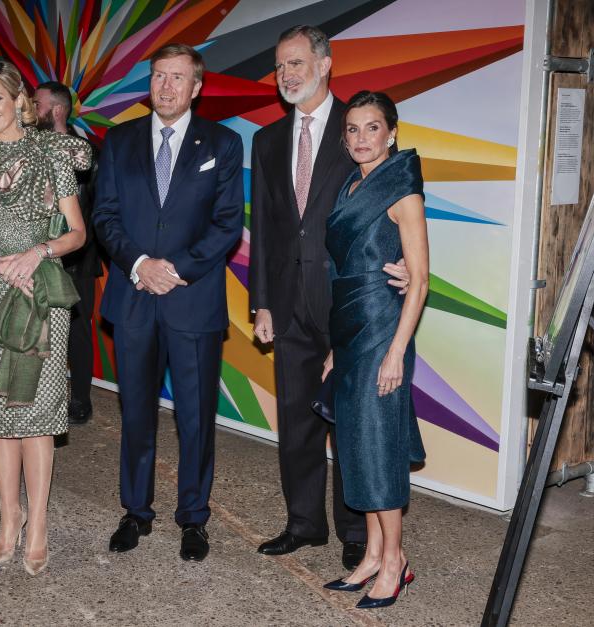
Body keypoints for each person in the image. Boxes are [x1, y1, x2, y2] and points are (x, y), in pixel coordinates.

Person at [93, 43, 244, 562]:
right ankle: (135, 512)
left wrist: (173, 269)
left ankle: (193, 519)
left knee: (195, 418)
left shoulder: (222, 143)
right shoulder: (118, 140)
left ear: (196, 87)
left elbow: (228, 223)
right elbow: (105, 214)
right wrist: (140, 265)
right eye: (159, 76)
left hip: (192, 301)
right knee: (136, 412)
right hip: (134, 297)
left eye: (178, 78)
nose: (166, 86)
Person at [250, 25, 389, 570]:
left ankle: (356, 531)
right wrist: (261, 300)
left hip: (348, 301)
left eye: (296, 63)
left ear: (325, 64)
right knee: (297, 418)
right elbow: (263, 226)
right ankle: (304, 524)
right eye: (280, 66)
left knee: (350, 423)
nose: (286, 74)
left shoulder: (354, 132)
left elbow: (384, 204)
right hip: (286, 304)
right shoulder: (266, 141)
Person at [0, 59, 89, 576]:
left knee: (37, 412)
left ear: (18, 102)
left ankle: (40, 524)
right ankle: (8, 519)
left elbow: (77, 233)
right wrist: (2, 266)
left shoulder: (51, 151)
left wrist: (38, 254)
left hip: (40, 290)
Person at [321, 90, 428, 609]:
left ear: (392, 132)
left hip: (385, 331)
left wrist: (395, 353)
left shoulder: (402, 188)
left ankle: (395, 561)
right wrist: (337, 348)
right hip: (351, 333)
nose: (361, 138)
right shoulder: (350, 184)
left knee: (379, 449)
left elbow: (421, 280)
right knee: (356, 448)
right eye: (352, 129)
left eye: (371, 128)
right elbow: (344, 271)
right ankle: (371, 554)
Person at [33, 81, 102, 424]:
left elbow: (97, 209)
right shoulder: (29, 148)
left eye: (38, 104)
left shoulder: (86, 153)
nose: (31, 109)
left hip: (77, 259)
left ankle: (81, 399)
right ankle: (42, 394)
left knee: (77, 330)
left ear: (57, 110)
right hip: (36, 256)